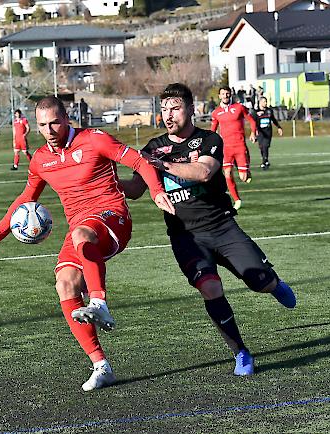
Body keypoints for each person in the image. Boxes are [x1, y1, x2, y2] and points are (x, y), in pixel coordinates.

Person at [0, 96, 175, 391]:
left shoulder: (94, 140)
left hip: (112, 217)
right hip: (80, 226)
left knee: (81, 234)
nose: (49, 129)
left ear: (66, 118)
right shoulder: (41, 159)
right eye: (42, 124)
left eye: (54, 122)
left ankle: (99, 302)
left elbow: (139, 161)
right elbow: (26, 198)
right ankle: (100, 365)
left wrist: (156, 192)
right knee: (65, 284)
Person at [120, 83, 296, 377]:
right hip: (185, 235)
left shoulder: (208, 139)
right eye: (164, 109)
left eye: (175, 108)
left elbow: (203, 172)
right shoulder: (151, 147)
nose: (168, 114)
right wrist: (105, 179)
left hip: (222, 227)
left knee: (260, 282)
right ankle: (241, 353)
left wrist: (162, 165)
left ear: (191, 109)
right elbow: (137, 190)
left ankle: (274, 285)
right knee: (211, 288)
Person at [210, 86, 257, 210]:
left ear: (230, 94)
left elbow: (251, 121)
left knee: (243, 178)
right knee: (227, 174)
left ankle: (246, 169)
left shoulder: (239, 107)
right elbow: (213, 131)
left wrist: (253, 132)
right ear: (219, 96)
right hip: (226, 149)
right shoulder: (216, 113)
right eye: (223, 94)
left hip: (240, 146)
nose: (225, 96)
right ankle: (237, 200)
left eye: (227, 93)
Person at [252, 96, 282, 170]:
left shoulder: (269, 111)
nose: (265, 103)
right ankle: (266, 160)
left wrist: (279, 127)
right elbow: (253, 123)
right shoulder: (255, 112)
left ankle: (264, 161)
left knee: (265, 146)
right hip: (260, 132)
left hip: (268, 132)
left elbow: (273, 119)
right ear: (260, 102)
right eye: (264, 101)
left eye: (266, 102)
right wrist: (253, 133)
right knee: (262, 147)